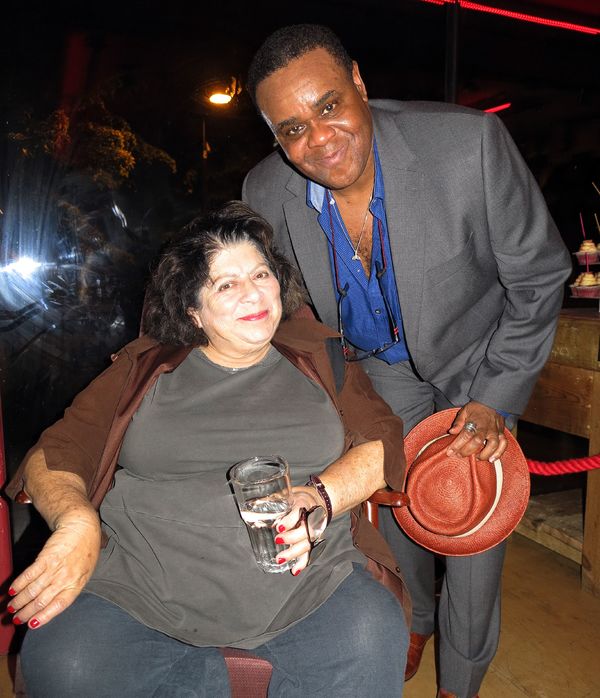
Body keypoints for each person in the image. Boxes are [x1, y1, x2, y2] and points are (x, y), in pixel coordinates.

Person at [242, 24, 572, 698]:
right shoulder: (264, 192)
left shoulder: (468, 147)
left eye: (329, 105)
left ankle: (464, 681)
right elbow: (293, 315)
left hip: (477, 357)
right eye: (292, 128)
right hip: (376, 366)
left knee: (470, 526)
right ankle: (415, 616)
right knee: (396, 508)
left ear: (359, 84)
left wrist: (496, 398)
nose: (318, 139)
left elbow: (540, 275)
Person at [5, 201, 410, 697]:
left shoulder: (318, 358)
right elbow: (57, 452)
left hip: (308, 585)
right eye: (226, 284)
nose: (253, 293)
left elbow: (382, 438)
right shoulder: (143, 371)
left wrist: (320, 497)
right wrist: (77, 521)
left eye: (261, 274)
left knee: (372, 633)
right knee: (64, 661)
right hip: (143, 589)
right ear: (193, 311)